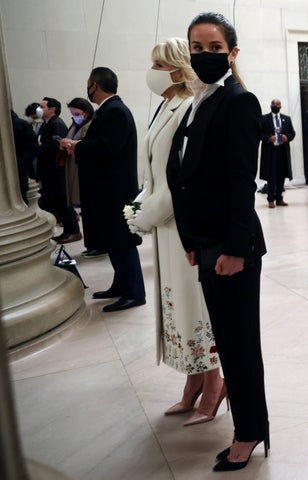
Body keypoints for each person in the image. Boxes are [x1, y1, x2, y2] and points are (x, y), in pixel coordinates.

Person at [167, 12, 268, 471]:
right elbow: (190, 176)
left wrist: (231, 249)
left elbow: (241, 182)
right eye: (196, 47)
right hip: (207, 242)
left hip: (233, 247)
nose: (204, 55)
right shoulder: (200, 99)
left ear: (232, 52)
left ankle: (249, 433)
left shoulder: (239, 101)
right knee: (227, 340)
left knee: (240, 343)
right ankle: (248, 426)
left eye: (214, 48)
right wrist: (193, 239)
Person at [128, 37, 224, 426]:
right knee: (178, 307)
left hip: (182, 226)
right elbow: (153, 172)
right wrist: (137, 206)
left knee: (195, 305)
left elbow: (183, 177)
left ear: (175, 66)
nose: (151, 70)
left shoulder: (188, 107)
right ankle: (193, 381)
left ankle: (214, 383)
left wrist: (145, 214)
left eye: (157, 62)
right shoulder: (166, 105)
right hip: (164, 227)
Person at [60, 67, 146, 313]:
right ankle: (121, 285)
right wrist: (80, 145)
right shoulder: (107, 110)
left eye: (88, 84)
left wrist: (77, 146)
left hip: (115, 191)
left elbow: (107, 148)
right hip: (108, 190)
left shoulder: (115, 111)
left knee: (122, 242)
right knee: (114, 241)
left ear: (95, 85)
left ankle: (134, 292)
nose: (87, 89)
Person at [54, 98, 94, 244]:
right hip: (72, 165)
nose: (74, 116)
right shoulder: (75, 124)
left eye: (76, 113)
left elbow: (88, 145)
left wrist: (72, 145)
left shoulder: (91, 124)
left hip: (82, 167)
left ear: (86, 112)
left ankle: (90, 239)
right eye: (72, 113)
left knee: (88, 205)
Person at [37, 97, 68, 225]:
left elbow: (57, 147)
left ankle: (59, 219)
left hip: (54, 168)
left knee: (56, 196)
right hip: (47, 167)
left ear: (52, 110)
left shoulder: (57, 124)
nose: (39, 109)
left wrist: (40, 146)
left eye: (42, 107)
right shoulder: (47, 123)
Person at [259, 98, 295, 207]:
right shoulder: (264, 119)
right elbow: (260, 133)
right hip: (270, 151)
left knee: (281, 175)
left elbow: (292, 133)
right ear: (270, 105)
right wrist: (268, 138)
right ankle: (271, 199)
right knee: (271, 176)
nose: (275, 105)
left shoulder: (286, 119)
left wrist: (287, 137)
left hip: (282, 151)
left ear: (281, 106)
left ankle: (279, 198)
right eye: (273, 104)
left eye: (277, 104)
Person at [11, 110, 38, 205]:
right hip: (18, 166)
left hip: (19, 168)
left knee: (21, 199)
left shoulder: (20, 124)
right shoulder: (22, 124)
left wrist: (20, 162)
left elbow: (33, 148)